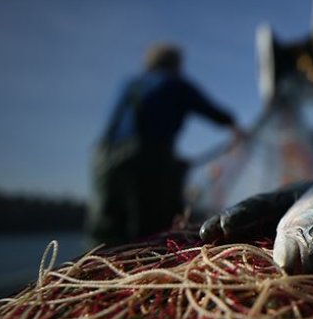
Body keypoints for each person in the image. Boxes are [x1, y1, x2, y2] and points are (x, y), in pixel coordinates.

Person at [86, 43, 244, 246]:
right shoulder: (175, 84)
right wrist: (234, 126)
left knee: (105, 233)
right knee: (153, 232)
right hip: (146, 163)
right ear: (175, 64)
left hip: (103, 162)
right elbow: (212, 111)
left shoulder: (128, 84)